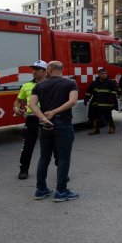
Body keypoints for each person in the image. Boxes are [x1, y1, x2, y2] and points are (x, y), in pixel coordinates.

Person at [29, 61, 79, 202]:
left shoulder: (39, 85)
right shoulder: (70, 83)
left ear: (49, 69)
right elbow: (73, 101)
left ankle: (40, 190)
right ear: (62, 70)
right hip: (63, 123)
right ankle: (61, 192)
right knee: (63, 157)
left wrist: (44, 118)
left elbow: (31, 104)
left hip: (45, 125)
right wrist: (55, 112)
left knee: (44, 157)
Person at [13, 60, 47, 180]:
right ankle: (23, 169)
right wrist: (16, 108)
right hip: (32, 119)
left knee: (55, 146)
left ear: (45, 71)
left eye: (37, 69)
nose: (34, 72)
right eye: (33, 69)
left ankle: (61, 169)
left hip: (48, 118)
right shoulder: (27, 85)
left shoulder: (51, 84)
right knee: (27, 145)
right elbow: (18, 100)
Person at [84, 69, 119, 135]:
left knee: (108, 116)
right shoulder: (94, 83)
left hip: (106, 102)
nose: (104, 75)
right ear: (99, 74)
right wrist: (86, 98)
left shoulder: (110, 82)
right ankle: (96, 129)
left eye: (105, 73)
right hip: (96, 103)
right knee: (94, 116)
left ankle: (112, 127)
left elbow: (115, 89)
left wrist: (112, 96)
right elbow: (89, 91)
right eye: (102, 73)